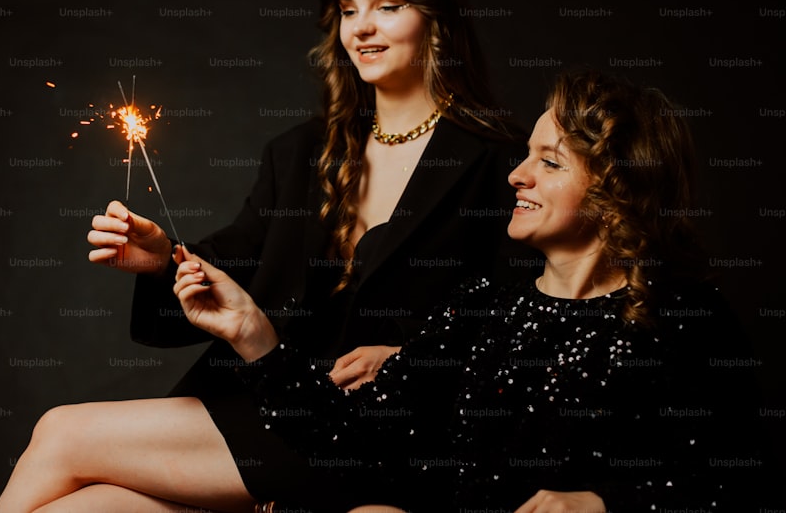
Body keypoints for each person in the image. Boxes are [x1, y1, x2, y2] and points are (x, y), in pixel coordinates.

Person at [0, 0, 528, 512]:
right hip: (265, 403)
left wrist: (412, 359)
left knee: (62, 432)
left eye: (389, 5)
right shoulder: (299, 153)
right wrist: (158, 260)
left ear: (439, 15)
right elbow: (232, 270)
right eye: (349, 11)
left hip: (373, 435)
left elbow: (523, 315)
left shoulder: (502, 163)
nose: (363, 29)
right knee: (74, 509)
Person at [173, 70, 765, 511]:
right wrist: (254, 335)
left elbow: (739, 481)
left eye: (550, 162)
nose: (517, 174)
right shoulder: (485, 306)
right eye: (525, 155)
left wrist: (602, 502)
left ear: (618, 186)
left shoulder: (682, 316)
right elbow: (353, 440)